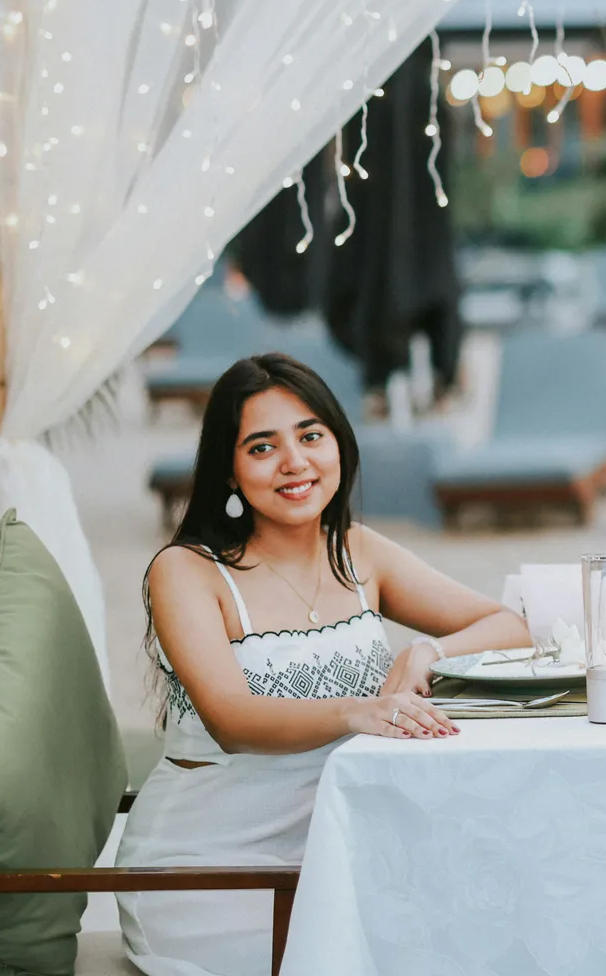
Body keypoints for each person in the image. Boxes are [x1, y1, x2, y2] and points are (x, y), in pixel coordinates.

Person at [118, 353, 529, 976]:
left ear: (339, 443)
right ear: (228, 471)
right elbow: (232, 720)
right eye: (262, 447)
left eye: (311, 436)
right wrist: (360, 711)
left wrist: (427, 651)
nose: (294, 463)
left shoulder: (358, 552)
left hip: (336, 856)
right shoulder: (186, 572)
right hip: (212, 870)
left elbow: (512, 626)